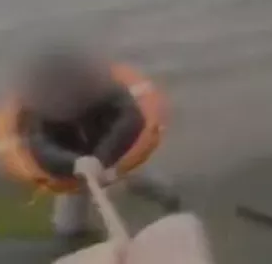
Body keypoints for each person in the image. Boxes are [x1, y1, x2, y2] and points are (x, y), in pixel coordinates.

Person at [17, 44, 180, 241]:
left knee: (164, 191)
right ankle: (90, 244)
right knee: (66, 230)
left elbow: (131, 118)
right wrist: (75, 162)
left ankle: (175, 218)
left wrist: (101, 158)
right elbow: (39, 145)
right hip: (75, 171)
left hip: (116, 156)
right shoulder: (38, 106)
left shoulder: (105, 87)